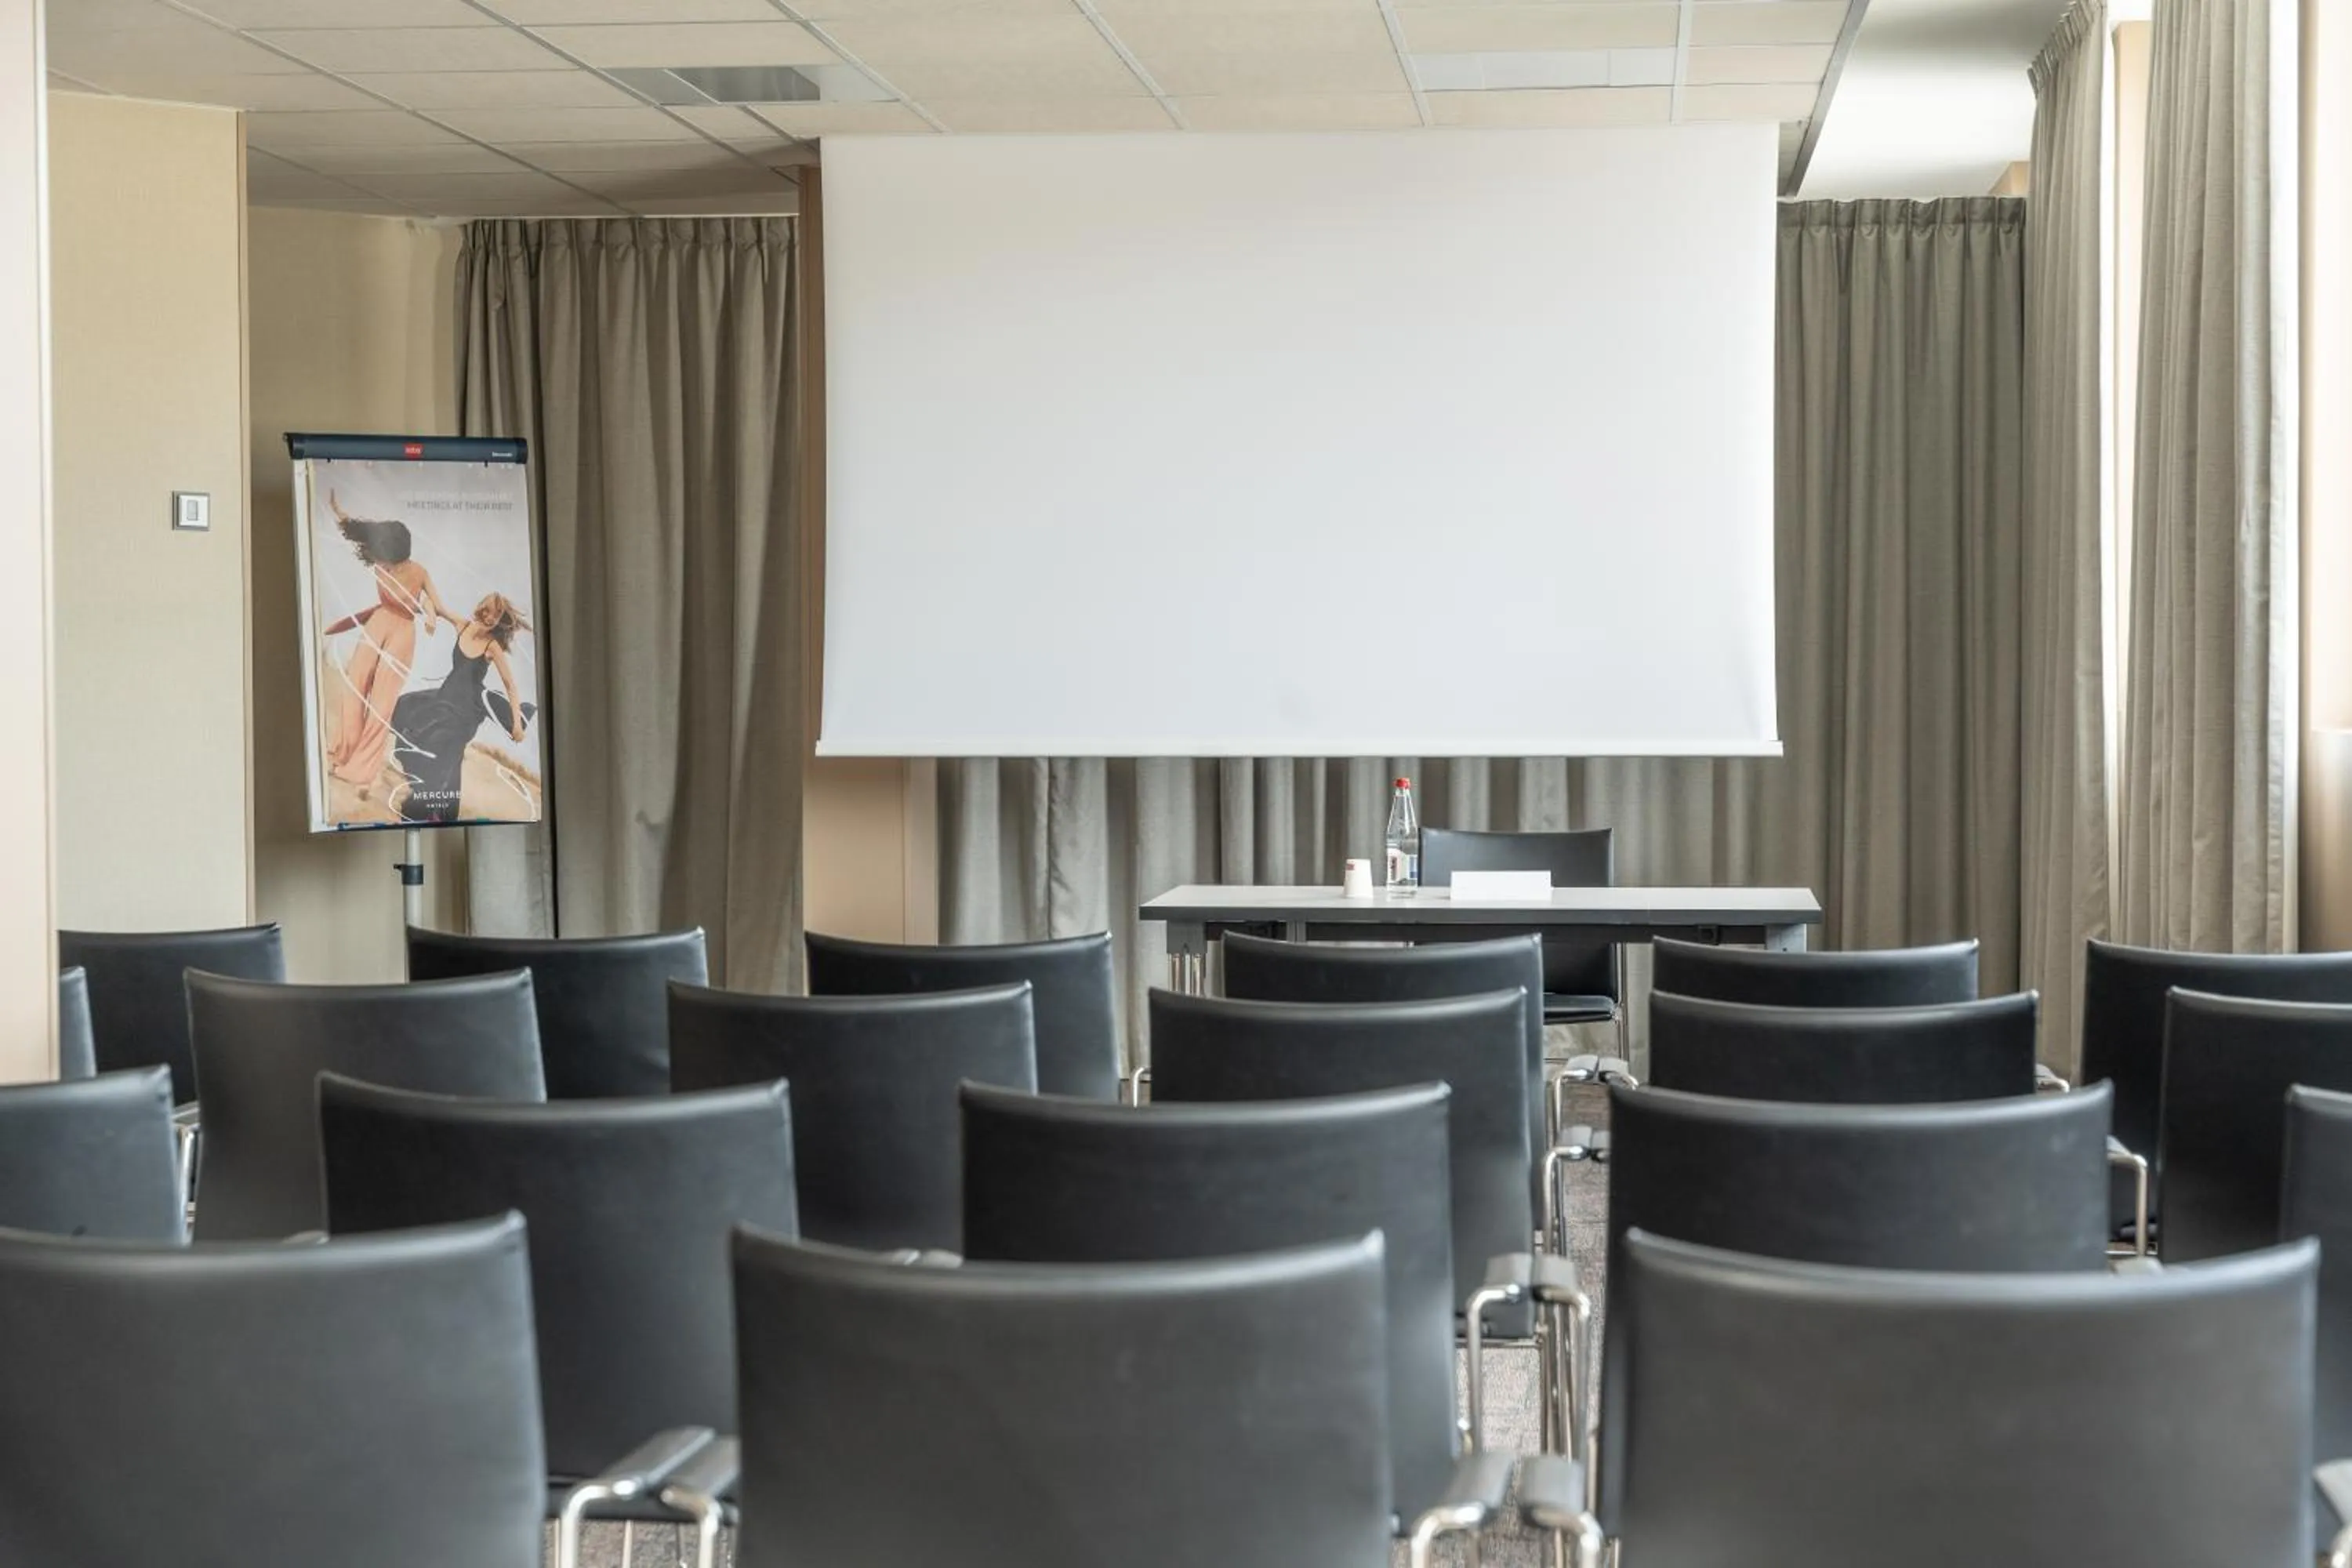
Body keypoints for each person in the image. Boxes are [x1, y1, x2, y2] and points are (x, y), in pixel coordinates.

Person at [321, 490, 455, 790]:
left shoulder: (418, 571)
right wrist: (336, 509)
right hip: (378, 621)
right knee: (355, 686)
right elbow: (353, 528)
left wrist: (432, 615)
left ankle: (361, 769)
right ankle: (343, 753)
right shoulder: (379, 552)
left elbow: (433, 601)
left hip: (403, 632)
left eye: (388, 559)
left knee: (381, 703)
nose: (383, 563)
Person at [390, 593, 536, 825]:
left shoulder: (492, 646)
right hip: (444, 698)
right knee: (408, 715)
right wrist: (430, 616)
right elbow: (433, 604)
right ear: (481, 608)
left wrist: (517, 725)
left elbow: (510, 685)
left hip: (466, 711)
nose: (491, 618)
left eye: (497, 615)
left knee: (446, 751)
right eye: (488, 611)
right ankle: (431, 807)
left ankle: (434, 813)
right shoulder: (463, 626)